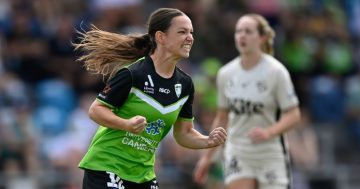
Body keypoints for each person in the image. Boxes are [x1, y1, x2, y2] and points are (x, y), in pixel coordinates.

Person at [72, 7, 227, 189]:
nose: (190, 37)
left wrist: (207, 141)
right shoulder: (133, 74)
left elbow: (184, 133)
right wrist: (126, 124)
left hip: (142, 175)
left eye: (191, 32)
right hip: (106, 166)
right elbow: (96, 110)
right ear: (161, 37)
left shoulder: (185, 85)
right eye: (182, 32)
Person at [193, 13, 301, 189]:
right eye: (238, 31)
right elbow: (222, 119)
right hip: (238, 150)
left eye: (248, 31)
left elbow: (294, 114)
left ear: (262, 37)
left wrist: (269, 132)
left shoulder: (276, 72)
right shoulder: (226, 74)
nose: (242, 35)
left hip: (269, 151)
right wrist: (207, 157)